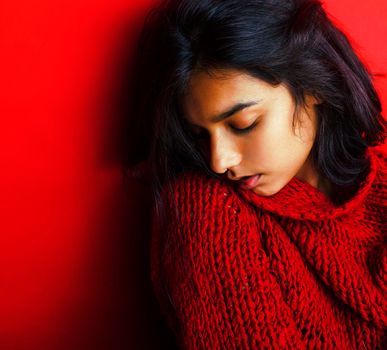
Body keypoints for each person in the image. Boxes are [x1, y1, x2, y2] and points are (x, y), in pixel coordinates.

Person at [129, 0, 387, 348]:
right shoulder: (208, 209)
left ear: (313, 87)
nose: (219, 161)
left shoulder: (379, 174)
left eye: (243, 124)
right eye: (199, 134)